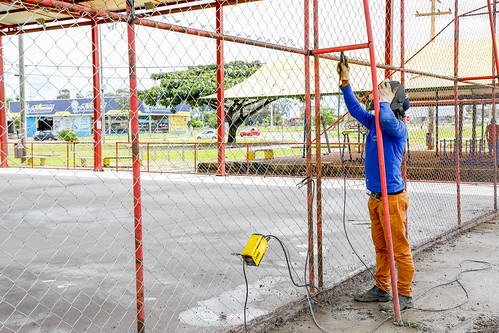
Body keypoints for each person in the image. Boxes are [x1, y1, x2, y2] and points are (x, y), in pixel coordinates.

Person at [337, 56, 414, 310]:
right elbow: (356, 110)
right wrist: (345, 82)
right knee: (381, 246)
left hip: (392, 198)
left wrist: (383, 102)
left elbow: (387, 120)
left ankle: (404, 294)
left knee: (399, 248)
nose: (379, 94)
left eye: (385, 93)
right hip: (376, 197)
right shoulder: (373, 123)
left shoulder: (398, 127)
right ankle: (382, 287)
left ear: (394, 102)